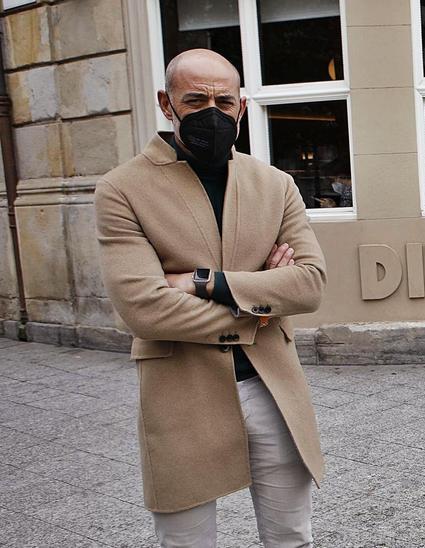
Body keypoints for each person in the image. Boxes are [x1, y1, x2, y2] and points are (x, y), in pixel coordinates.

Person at [95, 49, 327, 547]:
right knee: (186, 540)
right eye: (195, 99)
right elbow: (143, 307)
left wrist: (203, 281)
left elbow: (309, 285)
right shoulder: (122, 189)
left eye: (224, 101)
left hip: (272, 387)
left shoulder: (275, 184)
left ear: (241, 107)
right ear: (166, 102)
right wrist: (260, 304)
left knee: (292, 536)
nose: (212, 113)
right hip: (180, 390)